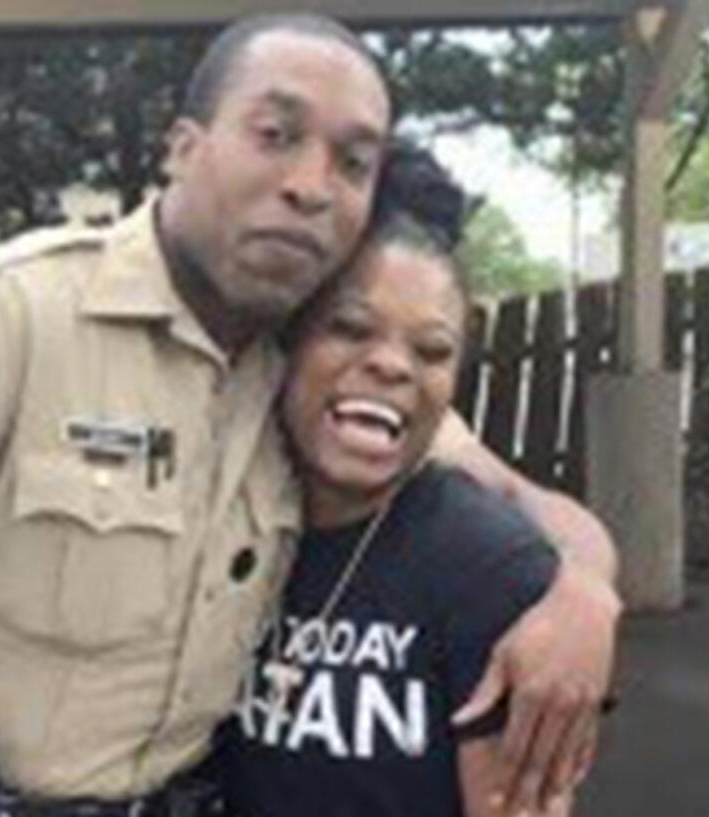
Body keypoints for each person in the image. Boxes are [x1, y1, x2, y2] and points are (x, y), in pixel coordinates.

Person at [0, 13, 619, 817]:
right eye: (275, 133)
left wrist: (586, 595)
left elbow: (523, 497)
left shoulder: (311, 372)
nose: (311, 182)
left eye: (353, 160)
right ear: (183, 147)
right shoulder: (8, 315)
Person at [214, 141, 573, 817]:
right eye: (349, 328)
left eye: (432, 350)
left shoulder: (487, 566)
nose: (392, 365)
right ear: (288, 347)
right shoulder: (231, 521)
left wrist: (583, 585)